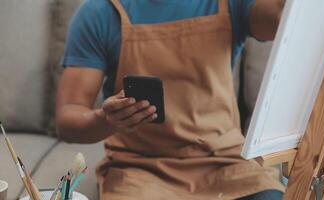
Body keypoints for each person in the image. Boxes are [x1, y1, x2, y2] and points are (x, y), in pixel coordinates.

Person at [56, 0, 286, 199]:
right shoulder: (100, 13)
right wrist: (106, 119)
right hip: (140, 170)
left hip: (227, 161)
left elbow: (285, 20)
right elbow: (68, 120)